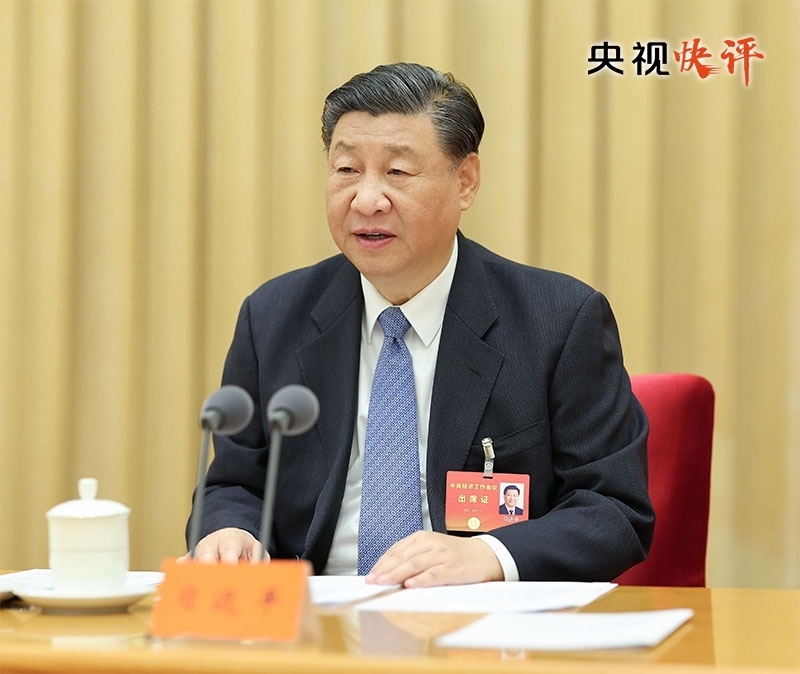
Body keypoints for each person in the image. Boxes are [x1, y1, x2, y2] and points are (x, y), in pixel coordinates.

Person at [187, 62, 654, 587]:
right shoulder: (273, 316)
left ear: (465, 181)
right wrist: (229, 531)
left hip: (477, 617)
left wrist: (490, 555)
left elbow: (614, 509)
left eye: (398, 172)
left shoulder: (558, 321)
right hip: (313, 613)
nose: (366, 199)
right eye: (346, 170)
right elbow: (236, 483)